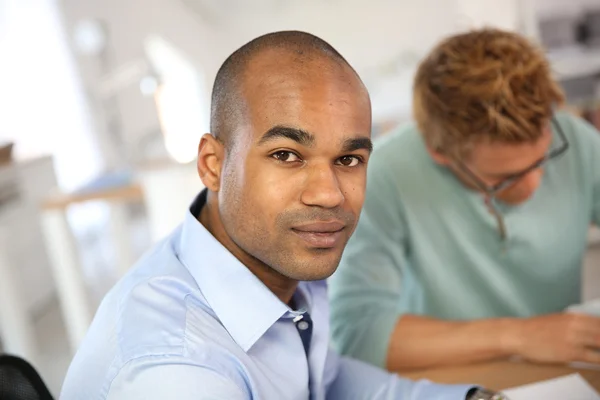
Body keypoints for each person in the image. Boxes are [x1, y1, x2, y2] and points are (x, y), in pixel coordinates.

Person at [59, 31, 482, 399]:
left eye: (349, 159)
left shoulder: (271, 269)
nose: (329, 194)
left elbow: (326, 385)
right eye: (286, 155)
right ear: (212, 164)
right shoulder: (178, 371)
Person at [329, 28, 600, 372]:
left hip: (563, 374)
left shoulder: (578, 140)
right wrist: (519, 336)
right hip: (451, 378)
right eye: (503, 179)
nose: (535, 184)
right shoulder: (382, 175)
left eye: (545, 157)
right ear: (439, 153)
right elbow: (360, 335)